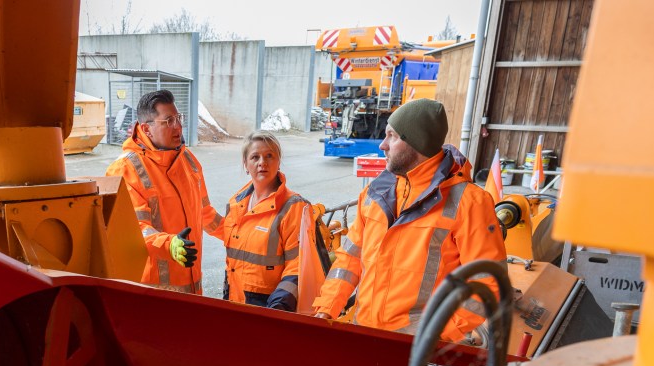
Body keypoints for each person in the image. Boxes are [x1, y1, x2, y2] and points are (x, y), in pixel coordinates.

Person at [313, 99, 506, 343]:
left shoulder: (470, 202)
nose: (383, 145)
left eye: (392, 136)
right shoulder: (374, 194)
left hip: (416, 353)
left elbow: (487, 284)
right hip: (363, 334)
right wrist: (326, 309)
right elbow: (349, 260)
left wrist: (439, 336)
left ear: (417, 143)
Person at [106, 89, 222, 294]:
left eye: (178, 118)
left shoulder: (188, 161)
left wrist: (236, 233)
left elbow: (205, 212)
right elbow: (134, 229)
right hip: (152, 295)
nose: (178, 126)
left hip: (193, 286)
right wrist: (169, 245)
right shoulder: (126, 169)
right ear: (146, 129)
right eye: (168, 121)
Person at [218, 132, 329, 313]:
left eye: (269, 155)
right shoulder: (236, 204)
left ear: (278, 162)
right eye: (255, 157)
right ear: (246, 165)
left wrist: (278, 306)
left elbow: (297, 266)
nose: (262, 162)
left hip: (271, 304)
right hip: (234, 299)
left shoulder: (294, 208)